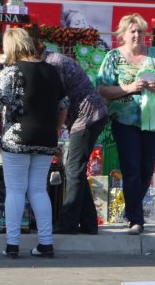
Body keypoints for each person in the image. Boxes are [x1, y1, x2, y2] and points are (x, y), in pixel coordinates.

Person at [0, 27, 68, 259]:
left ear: (12, 47)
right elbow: (64, 105)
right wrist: (56, 130)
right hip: (46, 139)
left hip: (17, 138)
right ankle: (46, 243)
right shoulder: (52, 72)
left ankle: (12, 245)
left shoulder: (10, 72)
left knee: (16, 191)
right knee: (39, 190)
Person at [96, 14, 155, 235]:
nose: (137, 35)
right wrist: (129, 88)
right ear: (123, 34)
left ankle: (131, 211)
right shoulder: (113, 57)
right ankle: (136, 219)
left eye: (140, 31)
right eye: (132, 31)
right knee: (131, 169)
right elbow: (102, 89)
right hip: (124, 121)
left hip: (152, 121)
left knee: (146, 170)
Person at [43, 46, 109, 234]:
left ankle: (68, 223)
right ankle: (89, 223)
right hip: (87, 116)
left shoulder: (53, 64)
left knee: (73, 168)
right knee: (76, 169)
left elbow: (57, 100)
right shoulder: (50, 60)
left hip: (88, 116)